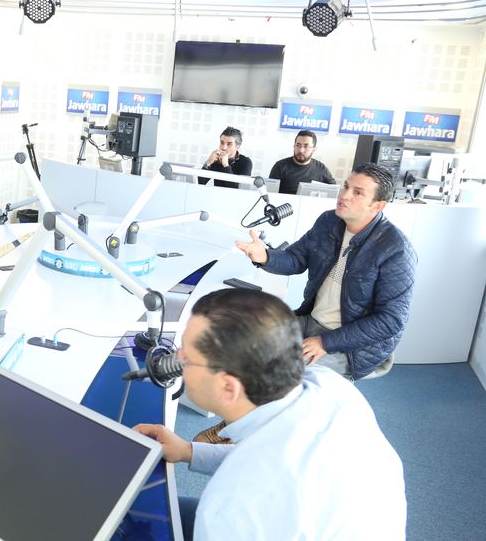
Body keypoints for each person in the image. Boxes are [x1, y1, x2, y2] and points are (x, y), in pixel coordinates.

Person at [136, 288, 406, 540]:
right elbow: (268, 456)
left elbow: (262, 470)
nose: (176, 360)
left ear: (228, 387)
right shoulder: (329, 384)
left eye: (186, 357)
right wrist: (189, 451)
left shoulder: (229, 509)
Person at [236, 163, 417, 380]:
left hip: (353, 347)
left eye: (358, 193)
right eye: (346, 186)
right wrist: (265, 256)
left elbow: (390, 321)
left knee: (275, 372)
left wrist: (325, 342)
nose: (345, 195)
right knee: (245, 340)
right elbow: (296, 258)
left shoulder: (396, 250)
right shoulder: (329, 221)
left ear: (377, 206)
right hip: (311, 321)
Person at [268, 129, 336, 194]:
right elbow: (270, 193)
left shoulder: (321, 168)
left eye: (306, 146)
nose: (301, 150)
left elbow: (333, 190)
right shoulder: (280, 166)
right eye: (298, 145)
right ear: (294, 146)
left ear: (314, 149)